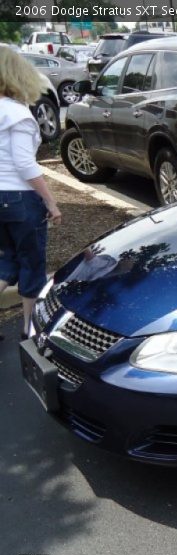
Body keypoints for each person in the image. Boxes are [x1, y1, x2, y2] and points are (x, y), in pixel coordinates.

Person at [0, 47, 62, 341]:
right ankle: (28, 329)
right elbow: (24, 164)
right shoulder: (16, 113)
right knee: (31, 264)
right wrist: (50, 200)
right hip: (20, 199)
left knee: (7, 261)